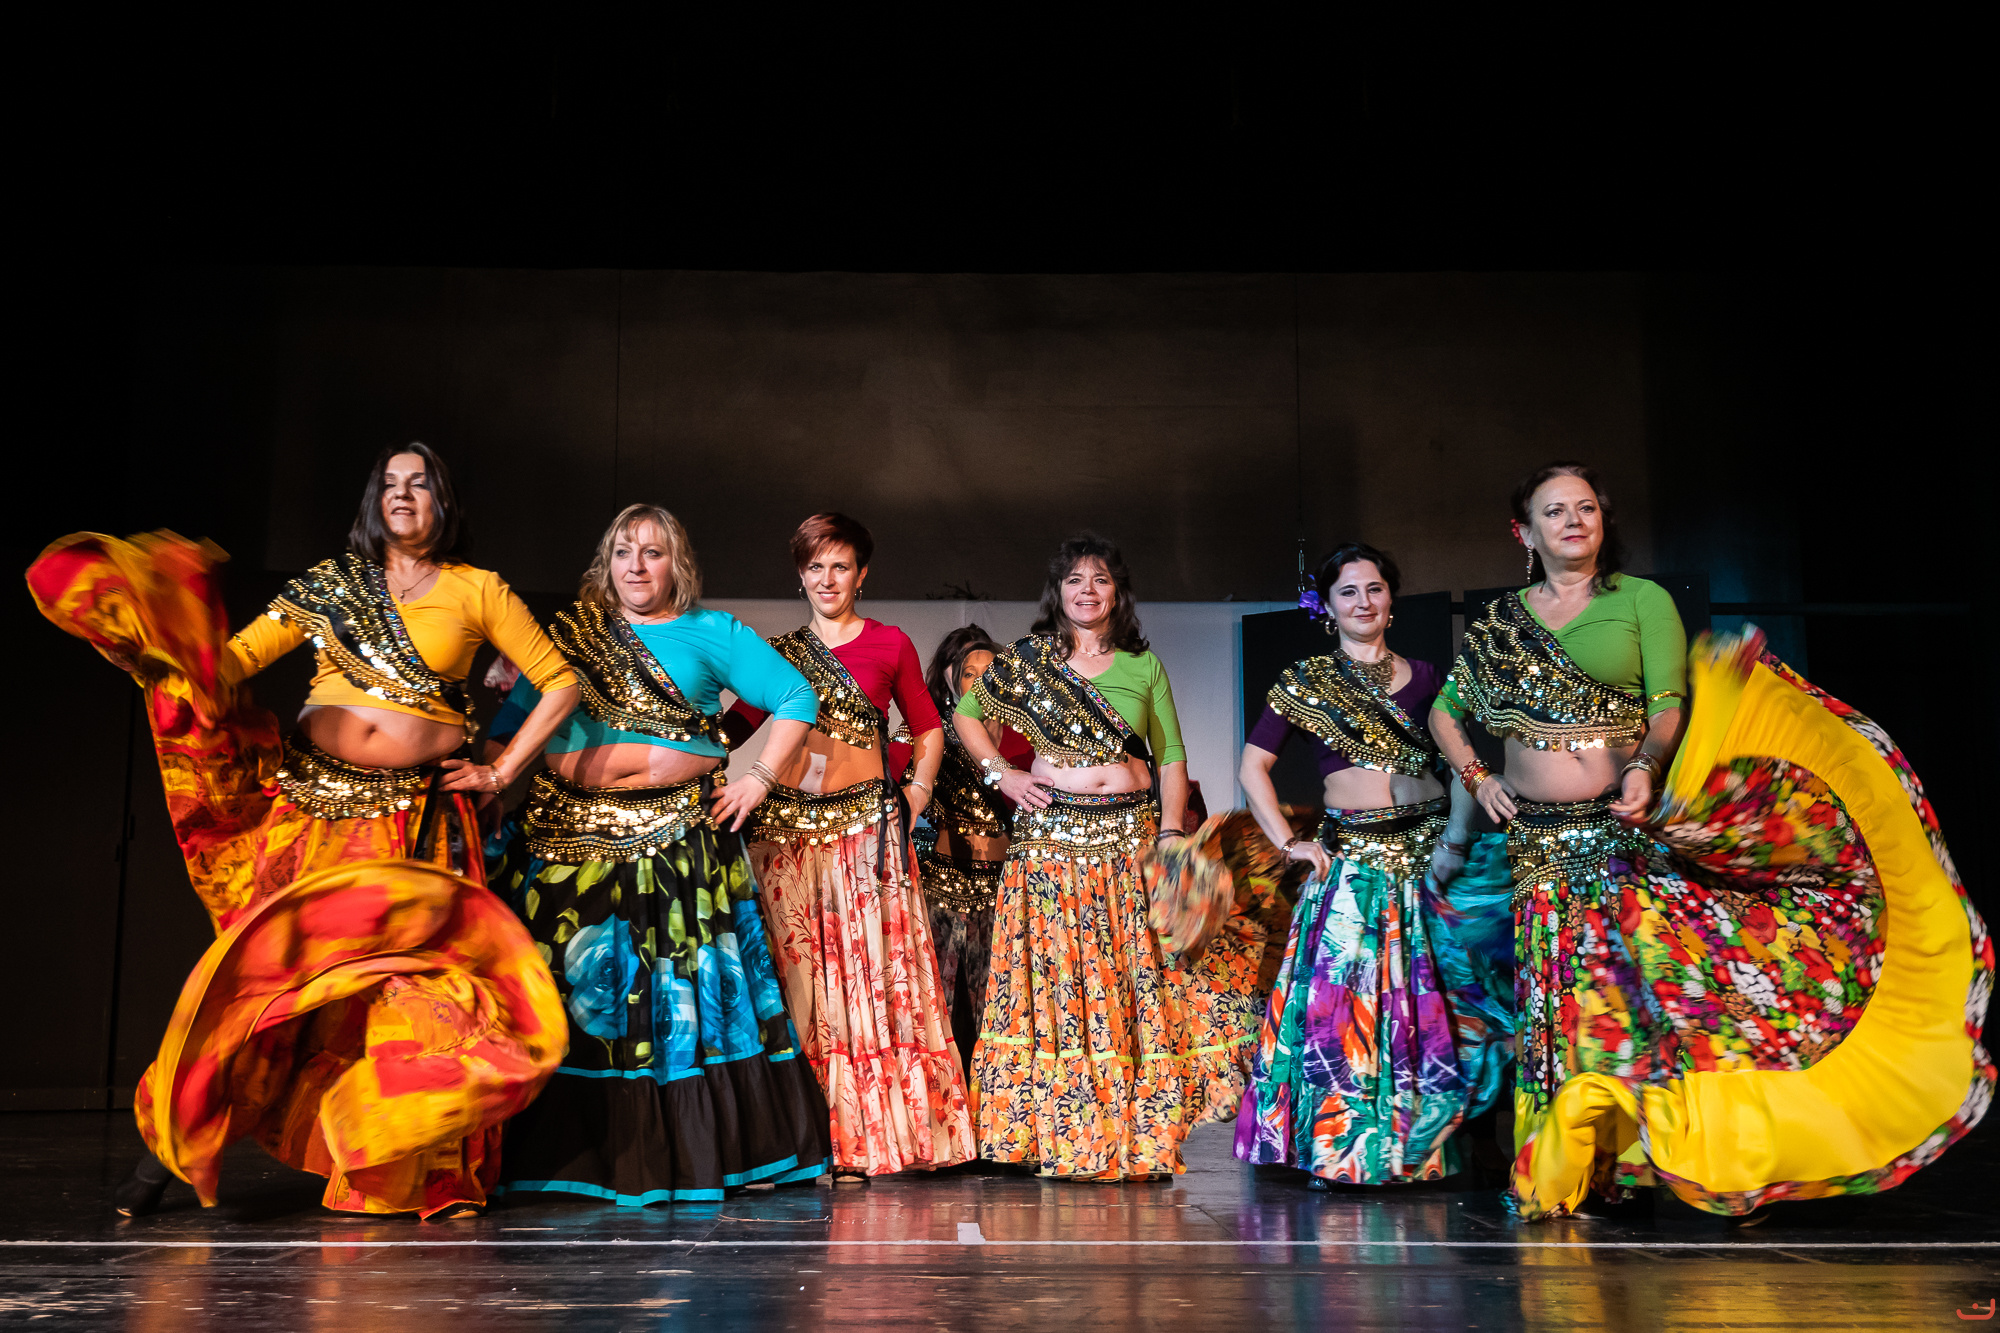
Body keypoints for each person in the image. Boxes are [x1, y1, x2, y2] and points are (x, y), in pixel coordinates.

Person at [1430, 460, 1993, 1220]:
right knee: (1553, 1003)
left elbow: (1666, 708)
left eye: (1587, 507)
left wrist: (1643, 767)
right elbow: (1444, 711)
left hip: (1615, 830)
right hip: (1533, 844)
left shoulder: (1640, 601)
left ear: (1604, 521)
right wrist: (1476, 777)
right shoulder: (1501, 622)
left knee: (1620, 1000)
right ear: (1523, 531)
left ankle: (1633, 1163)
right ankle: (1563, 1161)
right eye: (1555, 510)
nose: (1574, 521)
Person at [28, 443, 576, 1220]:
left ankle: (392, 1163)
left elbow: (559, 680)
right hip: (315, 814)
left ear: (444, 502)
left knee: (408, 994)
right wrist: (169, 648)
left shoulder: (477, 588)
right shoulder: (330, 583)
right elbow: (234, 663)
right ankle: (170, 1150)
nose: (403, 494)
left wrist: (500, 770)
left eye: (419, 483)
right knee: (269, 980)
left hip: (416, 823)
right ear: (373, 501)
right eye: (389, 484)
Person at [483, 504, 834, 1204]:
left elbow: (797, 694)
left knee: (670, 1009)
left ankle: (680, 1152)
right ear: (605, 563)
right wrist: (491, 785)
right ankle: (565, 1156)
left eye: (652, 552)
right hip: (568, 843)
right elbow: (511, 725)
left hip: (677, 846)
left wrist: (759, 778)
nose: (636, 566)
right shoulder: (571, 637)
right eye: (623, 551)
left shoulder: (712, 631)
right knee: (573, 999)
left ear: (678, 563)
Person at [954, 533, 1265, 1180]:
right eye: (1074, 579)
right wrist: (1001, 774)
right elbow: (965, 715)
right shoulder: (1029, 661)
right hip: (1051, 843)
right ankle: (1069, 1135)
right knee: (1063, 986)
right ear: (1057, 592)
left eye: (1099, 579)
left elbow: (1171, 757)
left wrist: (1171, 833)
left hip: (1128, 839)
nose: (1087, 590)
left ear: (1117, 592)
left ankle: (1137, 1139)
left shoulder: (1142, 666)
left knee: (1131, 986)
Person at [1233, 543, 1513, 1187]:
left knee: (1448, 1007)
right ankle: (1345, 1149)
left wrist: (1454, 845)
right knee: (1348, 1013)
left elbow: (1463, 767)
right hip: (1354, 865)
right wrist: (1290, 843)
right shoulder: (1306, 681)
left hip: (1430, 859)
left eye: (1375, 589)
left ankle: (1448, 1143)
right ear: (1328, 607)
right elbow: (1253, 768)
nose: (1363, 602)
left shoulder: (1429, 677)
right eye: (1349, 592)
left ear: (1392, 600)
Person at [728, 513, 975, 1182]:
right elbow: (729, 729)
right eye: (815, 567)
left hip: (867, 830)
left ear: (862, 574)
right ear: (800, 574)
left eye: (840, 566)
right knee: (799, 983)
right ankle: (800, 1140)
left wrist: (917, 791)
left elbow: (928, 729)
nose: (827, 579)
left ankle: (870, 1136)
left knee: (871, 980)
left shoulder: (890, 643)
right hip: (786, 834)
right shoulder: (778, 652)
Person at [913, 625, 1036, 1075]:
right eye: (969, 672)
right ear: (950, 677)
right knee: (944, 1004)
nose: (981, 681)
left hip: (1009, 887)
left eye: (992, 671)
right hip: (944, 886)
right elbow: (905, 789)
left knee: (1004, 1001)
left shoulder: (1028, 736)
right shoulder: (931, 734)